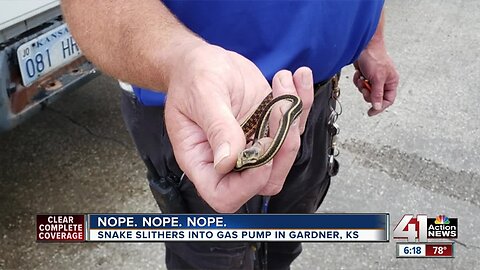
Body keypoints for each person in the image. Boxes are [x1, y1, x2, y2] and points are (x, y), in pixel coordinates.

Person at [62, 0, 399, 269]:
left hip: (314, 97)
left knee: (283, 244)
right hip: (201, 110)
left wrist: (372, 36)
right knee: (211, 257)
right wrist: (181, 59)